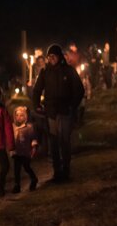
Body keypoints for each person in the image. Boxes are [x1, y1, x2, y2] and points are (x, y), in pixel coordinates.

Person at [32, 44, 84, 183]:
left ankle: (66, 169)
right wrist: (36, 104)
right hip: (51, 112)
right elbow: (37, 90)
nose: (51, 59)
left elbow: (79, 90)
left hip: (65, 112)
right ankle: (56, 170)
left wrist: (72, 106)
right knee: (54, 142)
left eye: (53, 56)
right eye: (49, 57)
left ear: (59, 56)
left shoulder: (69, 71)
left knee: (65, 141)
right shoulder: (45, 72)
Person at [10, 106, 38, 193]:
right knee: (16, 169)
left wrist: (34, 147)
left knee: (26, 167)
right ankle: (17, 185)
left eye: (21, 115)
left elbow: (33, 138)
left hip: (25, 151)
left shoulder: (29, 127)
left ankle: (34, 179)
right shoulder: (13, 127)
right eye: (17, 115)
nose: (19, 117)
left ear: (25, 116)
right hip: (16, 151)